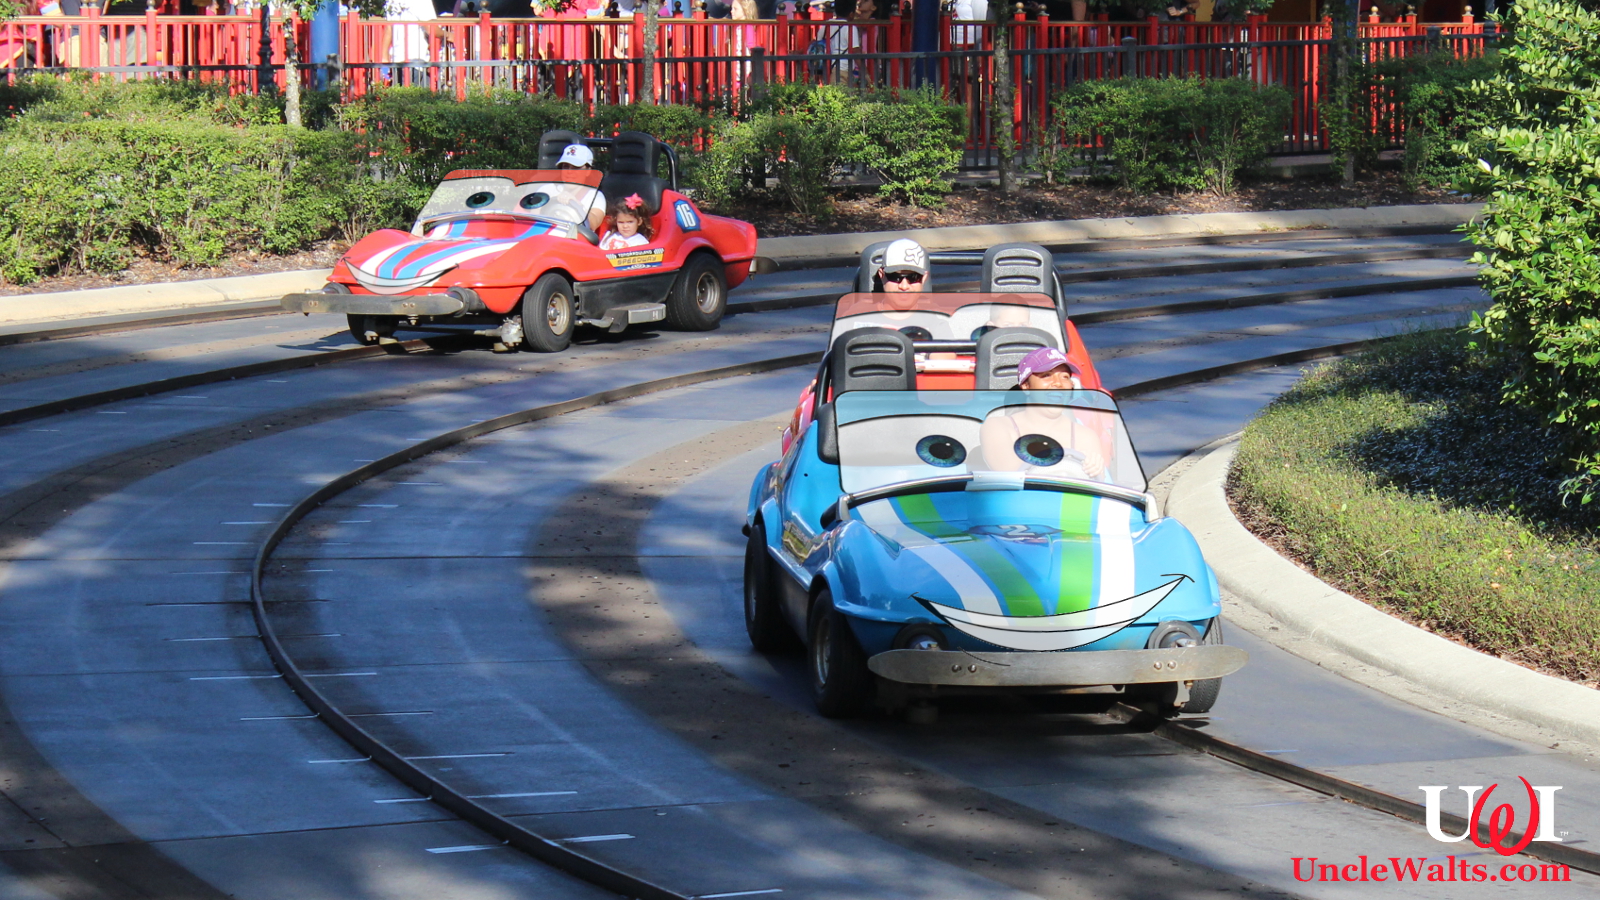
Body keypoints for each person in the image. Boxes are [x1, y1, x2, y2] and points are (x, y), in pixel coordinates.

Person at [978, 346, 1106, 477]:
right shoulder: (998, 427)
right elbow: (1009, 475)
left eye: (1065, 377)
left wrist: (1095, 469)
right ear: (1026, 386)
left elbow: (1096, 488)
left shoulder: (1085, 435)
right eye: (1046, 376)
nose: (1058, 383)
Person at [553, 143, 608, 233]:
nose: (569, 172)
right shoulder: (549, 189)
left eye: (576, 167)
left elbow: (594, 223)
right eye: (566, 167)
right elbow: (529, 213)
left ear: (588, 171)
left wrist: (577, 206)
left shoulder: (595, 196)